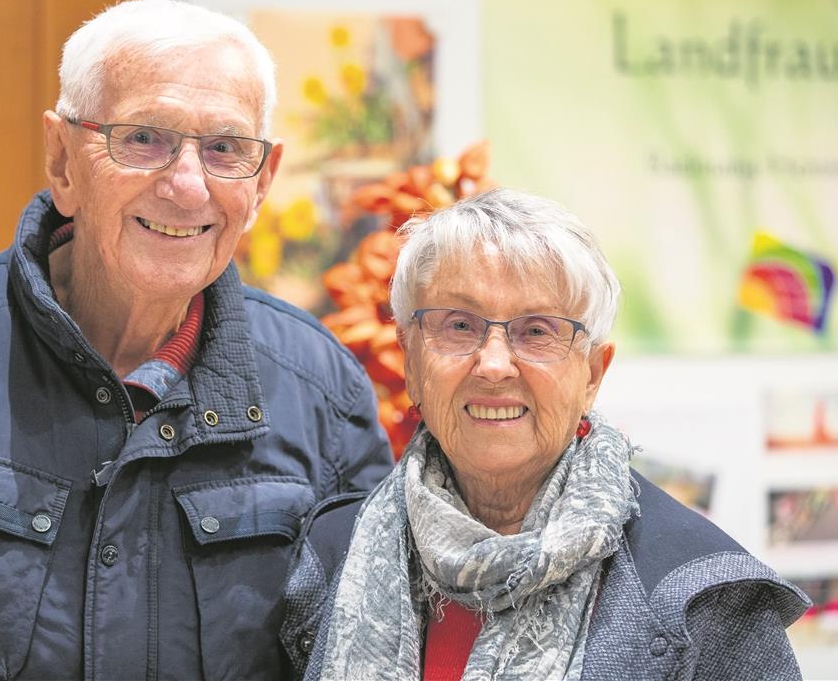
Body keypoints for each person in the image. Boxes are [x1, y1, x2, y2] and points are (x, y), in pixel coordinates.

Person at [0, 0, 393, 680]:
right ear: (63, 159)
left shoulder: (324, 393)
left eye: (224, 149)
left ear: (262, 182)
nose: (187, 186)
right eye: (143, 138)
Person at [282, 188, 809, 681]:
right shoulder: (330, 554)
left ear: (593, 375)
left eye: (536, 331)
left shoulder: (706, 600)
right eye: (459, 326)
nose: (493, 365)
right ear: (411, 361)